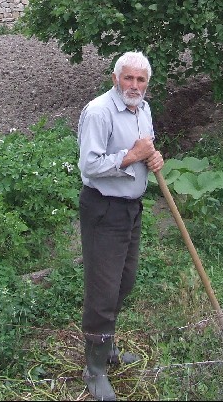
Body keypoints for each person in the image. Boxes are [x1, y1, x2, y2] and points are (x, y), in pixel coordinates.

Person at [76, 51, 164, 401]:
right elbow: (90, 166)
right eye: (128, 78)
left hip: (132, 208)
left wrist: (153, 156)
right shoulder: (98, 112)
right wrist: (133, 156)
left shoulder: (143, 109)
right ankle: (94, 369)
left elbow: (147, 149)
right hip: (103, 209)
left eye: (141, 80)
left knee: (124, 281)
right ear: (115, 79)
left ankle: (107, 347)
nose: (134, 85)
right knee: (103, 289)